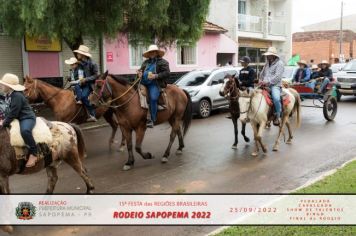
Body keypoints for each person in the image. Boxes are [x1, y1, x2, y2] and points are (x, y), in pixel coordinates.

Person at [0, 73, 38, 167]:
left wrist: (4, 122)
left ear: (9, 86)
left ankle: (34, 153)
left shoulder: (17, 96)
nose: (1, 86)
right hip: (17, 118)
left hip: (26, 117)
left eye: (3, 84)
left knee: (25, 131)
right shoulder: (8, 94)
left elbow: (13, 113)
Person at [137, 45, 170, 128]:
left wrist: (156, 76)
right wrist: (139, 74)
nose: (151, 53)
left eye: (153, 52)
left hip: (155, 83)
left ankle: (152, 119)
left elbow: (167, 73)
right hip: (143, 82)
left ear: (156, 52)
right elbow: (140, 70)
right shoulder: (146, 62)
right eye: (150, 52)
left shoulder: (163, 62)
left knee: (153, 98)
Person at [259, 47, 284, 126]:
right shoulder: (267, 63)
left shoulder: (280, 63)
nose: (268, 56)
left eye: (269, 55)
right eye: (268, 55)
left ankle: (278, 115)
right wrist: (260, 80)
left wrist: (268, 82)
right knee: (253, 95)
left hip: (275, 85)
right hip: (264, 84)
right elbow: (262, 73)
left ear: (274, 56)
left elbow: (277, 77)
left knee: (276, 98)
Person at [73, 45, 98, 122]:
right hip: (80, 83)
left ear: (83, 55)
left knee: (83, 96)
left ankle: (92, 115)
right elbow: (77, 75)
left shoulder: (93, 64)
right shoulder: (79, 64)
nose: (77, 55)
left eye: (78, 53)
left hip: (89, 84)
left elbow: (96, 76)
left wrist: (86, 79)